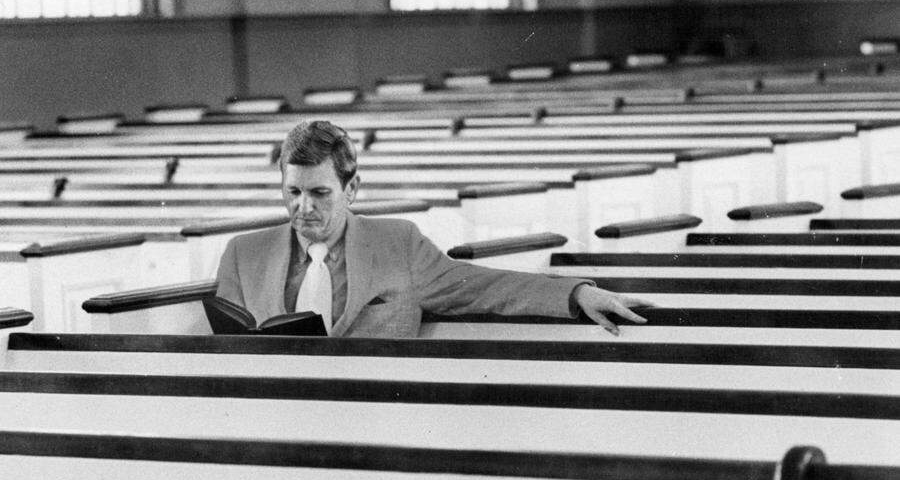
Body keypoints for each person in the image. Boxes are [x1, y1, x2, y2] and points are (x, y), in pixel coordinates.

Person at [215, 120, 651, 338]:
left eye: (319, 194)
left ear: (352, 190)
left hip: (382, 422)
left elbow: (481, 287)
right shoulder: (243, 254)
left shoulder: (398, 245)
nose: (302, 208)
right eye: (292, 192)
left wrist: (576, 294)